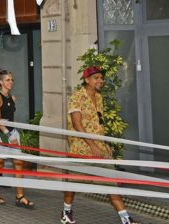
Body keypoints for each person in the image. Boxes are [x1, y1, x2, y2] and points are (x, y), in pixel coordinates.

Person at [60, 66, 140, 224]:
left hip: (99, 148)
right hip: (81, 149)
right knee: (73, 182)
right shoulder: (77, 97)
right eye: (96, 78)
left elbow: (99, 123)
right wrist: (92, 146)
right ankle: (66, 212)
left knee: (111, 182)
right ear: (87, 80)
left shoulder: (99, 97)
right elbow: (77, 124)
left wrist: (104, 144)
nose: (100, 81)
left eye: (101, 78)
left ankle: (126, 219)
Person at [0, 70, 34, 209]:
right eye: (7, 80)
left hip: (12, 132)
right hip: (1, 133)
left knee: (18, 163)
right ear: (1, 82)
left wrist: (14, 134)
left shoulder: (12, 98)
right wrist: (8, 135)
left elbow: (10, 118)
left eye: (12, 80)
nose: (11, 82)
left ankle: (20, 196)